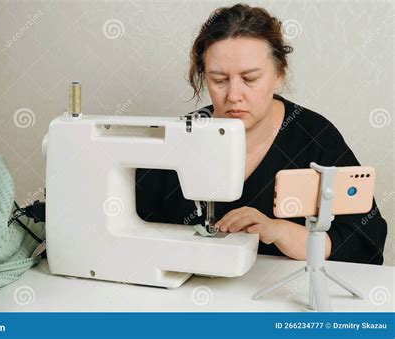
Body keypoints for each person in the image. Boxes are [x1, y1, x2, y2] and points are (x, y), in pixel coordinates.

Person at [135, 3, 387, 265]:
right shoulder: (181, 136)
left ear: (279, 74)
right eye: (219, 80)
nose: (233, 96)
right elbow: (137, 226)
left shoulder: (314, 137)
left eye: (250, 78)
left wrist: (279, 231)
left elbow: (365, 242)